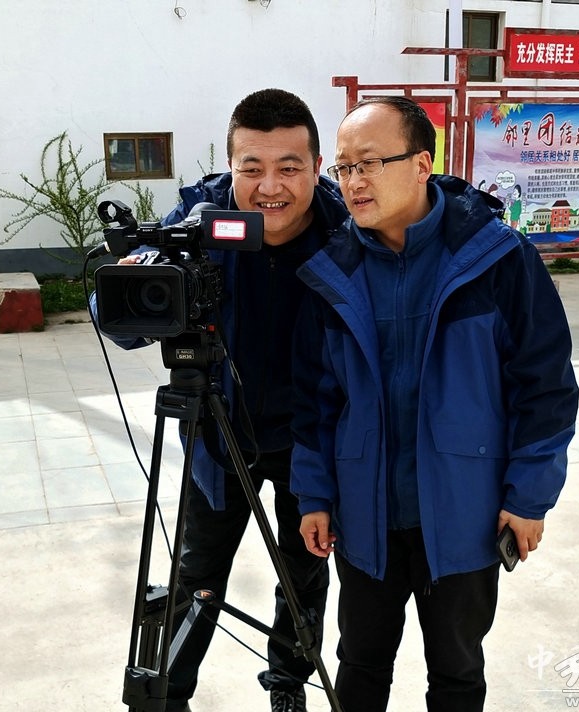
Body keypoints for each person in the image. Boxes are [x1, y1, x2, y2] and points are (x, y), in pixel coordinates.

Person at [290, 96, 579, 712]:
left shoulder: (497, 259)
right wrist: (314, 495)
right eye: (343, 167)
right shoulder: (331, 272)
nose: (353, 182)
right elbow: (316, 401)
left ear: (422, 164)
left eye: (370, 163)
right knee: (360, 665)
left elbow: (545, 387)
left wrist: (528, 497)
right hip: (365, 516)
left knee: (456, 672)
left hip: (464, 514)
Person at [93, 88, 348, 712]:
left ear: (317, 167)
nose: (270, 187)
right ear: (229, 165)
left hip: (315, 441)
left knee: (303, 574)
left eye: (289, 167)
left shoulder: (346, 232)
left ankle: (288, 684)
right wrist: (140, 279)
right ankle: (170, 694)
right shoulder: (196, 221)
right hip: (216, 431)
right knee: (196, 576)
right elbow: (119, 322)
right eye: (251, 168)